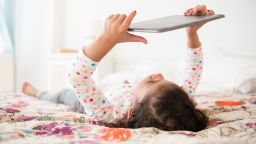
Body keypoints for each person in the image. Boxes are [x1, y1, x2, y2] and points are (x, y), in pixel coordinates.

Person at [23, 5, 213, 132]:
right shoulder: (179, 101)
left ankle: (37, 92)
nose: (158, 74)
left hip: (95, 99)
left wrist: (107, 40)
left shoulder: (109, 116)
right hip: (120, 86)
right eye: (163, 79)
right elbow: (192, 69)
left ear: (131, 110)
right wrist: (192, 32)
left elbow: (77, 78)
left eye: (152, 81)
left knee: (63, 95)